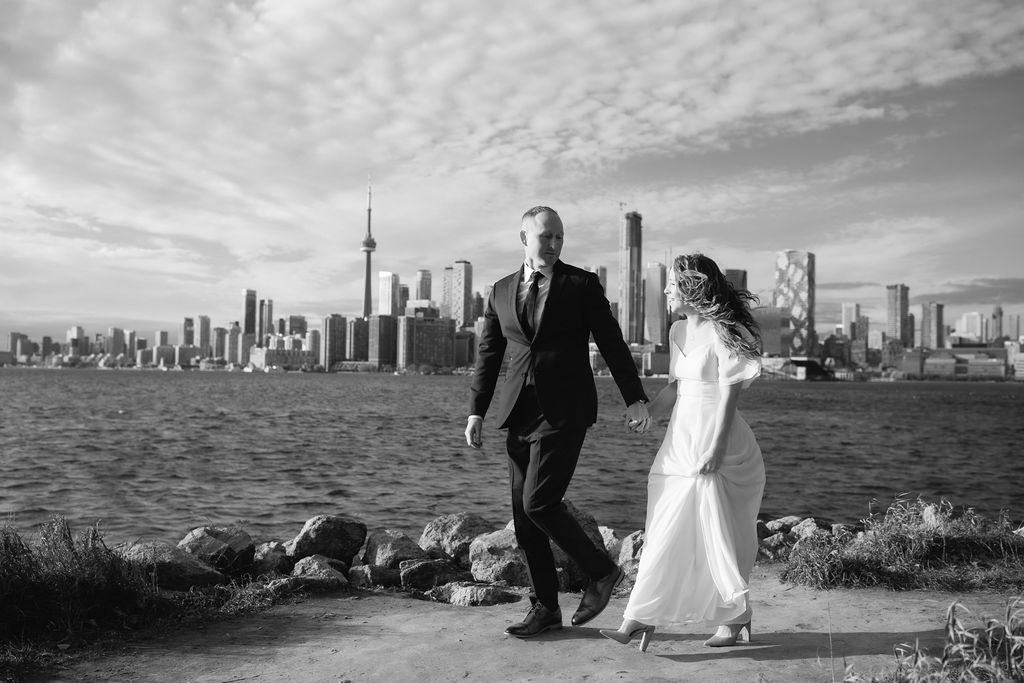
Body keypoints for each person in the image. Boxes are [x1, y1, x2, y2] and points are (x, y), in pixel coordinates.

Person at [465, 206, 651, 638]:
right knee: (525, 517)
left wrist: (635, 399)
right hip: (517, 414)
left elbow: (611, 342)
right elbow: (489, 356)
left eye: (559, 238)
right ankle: (545, 607)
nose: (552, 245)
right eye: (545, 237)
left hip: (564, 412)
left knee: (539, 503)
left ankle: (602, 572)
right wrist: (476, 410)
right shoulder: (500, 290)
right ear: (524, 238)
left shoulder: (581, 284)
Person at [600, 252, 765, 653]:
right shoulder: (676, 332)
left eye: (674, 284)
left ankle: (732, 618)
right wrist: (649, 415)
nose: (668, 291)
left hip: (716, 442)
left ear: (692, 288)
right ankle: (640, 615)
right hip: (680, 441)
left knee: (722, 535)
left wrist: (716, 447)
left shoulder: (724, 332)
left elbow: (727, 395)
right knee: (663, 526)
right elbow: (675, 389)